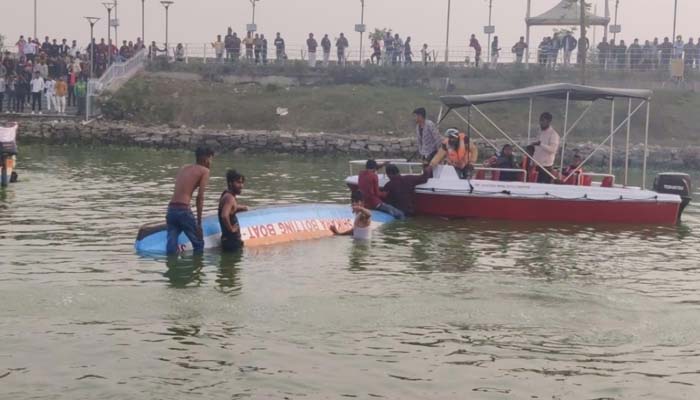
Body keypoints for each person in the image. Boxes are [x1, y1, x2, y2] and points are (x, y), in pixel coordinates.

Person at [166, 147, 213, 255]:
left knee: (171, 245)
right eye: (211, 159)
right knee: (199, 243)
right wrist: (199, 224)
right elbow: (200, 197)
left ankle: (171, 269)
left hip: (171, 210)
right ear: (206, 159)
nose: (211, 162)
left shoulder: (184, 167)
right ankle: (197, 271)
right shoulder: (205, 171)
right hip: (183, 211)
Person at [218, 169, 248, 253]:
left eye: (242, 182)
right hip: (231, 241)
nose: (241, 185)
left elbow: (231, 208)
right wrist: (231, 229)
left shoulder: (226, 194)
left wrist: (241, 208)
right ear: (230, 183)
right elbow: (224, 215)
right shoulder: (229, 198)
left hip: (229, 240)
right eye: (238, 182)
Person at [531, 112, 560, 184]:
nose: (541, 123)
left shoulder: (554, 134)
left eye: (543, 121)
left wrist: (541, 144)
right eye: (540, 120)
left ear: (548, 121)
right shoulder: (540, 132)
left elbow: (553, 150)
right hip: (536, 165)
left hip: (545, 167)